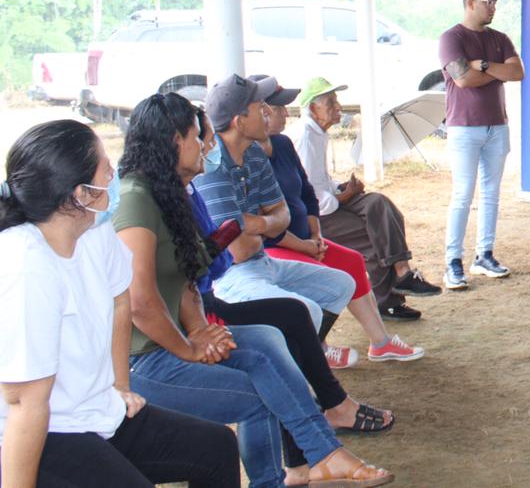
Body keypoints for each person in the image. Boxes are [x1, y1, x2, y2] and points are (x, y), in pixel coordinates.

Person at [114, 93, 394, 487]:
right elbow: (140, 302)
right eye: (197, 137)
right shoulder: (137, 200)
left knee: (266, 341)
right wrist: (190, 346)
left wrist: (198, 329)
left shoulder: (171, 191)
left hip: (174, 339)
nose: (205, 145)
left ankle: (322, 455)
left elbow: (187, 278)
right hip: (146, 359)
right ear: (174, 141)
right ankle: (296, 468)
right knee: (261, 393)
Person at [0, 119, 240, 488]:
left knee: (216, 446)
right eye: (104, 165)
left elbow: (120, 302)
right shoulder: (26, 265)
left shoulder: (94, 229)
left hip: (95, 410)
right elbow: (24, 404)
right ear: (80, 194)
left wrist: (119, 387)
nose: (114, 171)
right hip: (43, 431)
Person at [257, 94, 423, 364]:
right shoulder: (249, 157)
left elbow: (307, 192)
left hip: (305, 235)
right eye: (273, 109)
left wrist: (314, 234)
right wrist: (305, 245)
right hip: (276, 246)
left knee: (353, 260)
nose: (285, 114)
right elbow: (264, 225)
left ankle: (381, 343)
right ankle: (317, 349)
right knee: (329, 277)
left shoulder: (283, 143)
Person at [193, 74, 356, 336]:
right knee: (305, 311)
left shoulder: (254, 152)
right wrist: (265, 226)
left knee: (341, 284)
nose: (268, 111)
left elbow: (283, 215)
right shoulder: (213, 166)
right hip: (228, 276)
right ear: (239, 121)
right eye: (261, 107)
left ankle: (306, 350)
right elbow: (237, 251)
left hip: (262, 260)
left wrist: (254, 224)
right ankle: (301, 353)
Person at [295, 76, 437, 321]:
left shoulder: (317, 133)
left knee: (378, 203)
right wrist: (345, 195)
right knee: (373, 236)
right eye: (331, 102)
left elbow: (318, 180)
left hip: (328, 202)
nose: (338, 107)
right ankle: (387, 302)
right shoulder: (306, 137)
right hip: (314, 216)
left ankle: (402, 271)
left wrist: (341, 187)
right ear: (313, 108)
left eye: (336, 101)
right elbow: (313, 198)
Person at [438, 0, 524, 290]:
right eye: (488, 1)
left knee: (491, 194)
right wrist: (494, 71)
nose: (493, 7)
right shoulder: (452, 38)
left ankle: (484, 255)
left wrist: (483, 66)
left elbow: (517, 73)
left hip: (497, 125)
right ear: (471, 3)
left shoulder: (500, 38)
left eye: (495, 2)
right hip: (464, 126)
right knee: (463, 194)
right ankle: (453, 262)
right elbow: (462, 78)